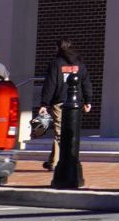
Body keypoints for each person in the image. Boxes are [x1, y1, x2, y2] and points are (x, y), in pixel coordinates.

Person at [38, 39, 93, 171]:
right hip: (76, 103)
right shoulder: (80, 64)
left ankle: (57, 162)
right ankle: (57, 159)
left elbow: (50, 84)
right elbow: (86, 83)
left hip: (60, 101)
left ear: (59, 48)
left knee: (59, 132)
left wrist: (44, 103)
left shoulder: (56, 63)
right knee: (71, 131)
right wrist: (88, 101)